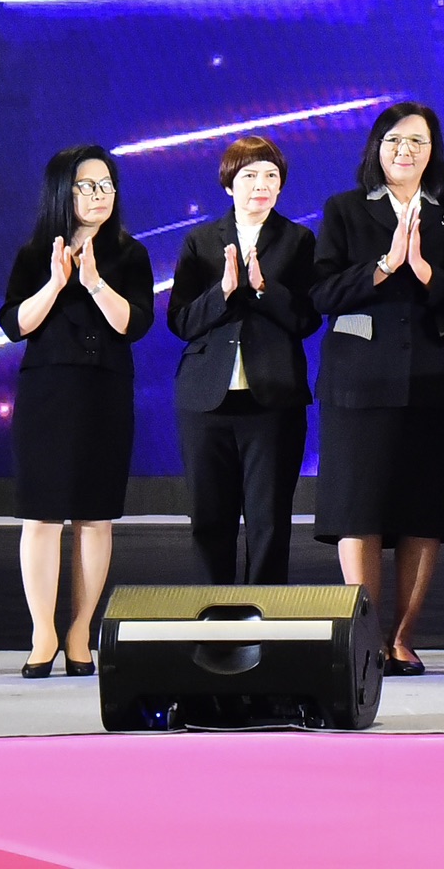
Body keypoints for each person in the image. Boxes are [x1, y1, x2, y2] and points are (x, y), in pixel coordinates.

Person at [312, 102, 444, 675]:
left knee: (422, 511)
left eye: (417, 142)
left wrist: (423, 269)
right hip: (359, 381)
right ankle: (364, 639)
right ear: (376, 148)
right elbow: (322, 294)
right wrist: (384, 264)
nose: (404, 151)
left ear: (433, 151)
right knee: (359, 508)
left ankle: (402, 639)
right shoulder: (344, 209)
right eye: (393, 141)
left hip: (432, 380)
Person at [0, 145, 154, 677]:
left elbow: (133, 323)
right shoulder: (33, 253)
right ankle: (42, 632)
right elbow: (14, 324)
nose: (99, 194)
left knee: (95, 516)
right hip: (47, 392)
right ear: (63, 191)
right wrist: (56, 282)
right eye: (88, 185)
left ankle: (81, 631)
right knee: (41, 516)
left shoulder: (130, 254)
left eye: (107, 185)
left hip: (104, 391)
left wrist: (93, 283)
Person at [167, 134, 319, 587]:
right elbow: (181, 320)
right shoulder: (201, 240)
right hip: (206, 400)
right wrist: (224, 292)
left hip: (272, 400)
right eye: (250, 175)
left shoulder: (298, 239)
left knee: (268, 521)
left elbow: (307, 319)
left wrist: (264, 289)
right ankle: (211, 614)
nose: (262, 185)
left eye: (271, 176)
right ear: (229, 185)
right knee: (209, 519)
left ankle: (261, 616)